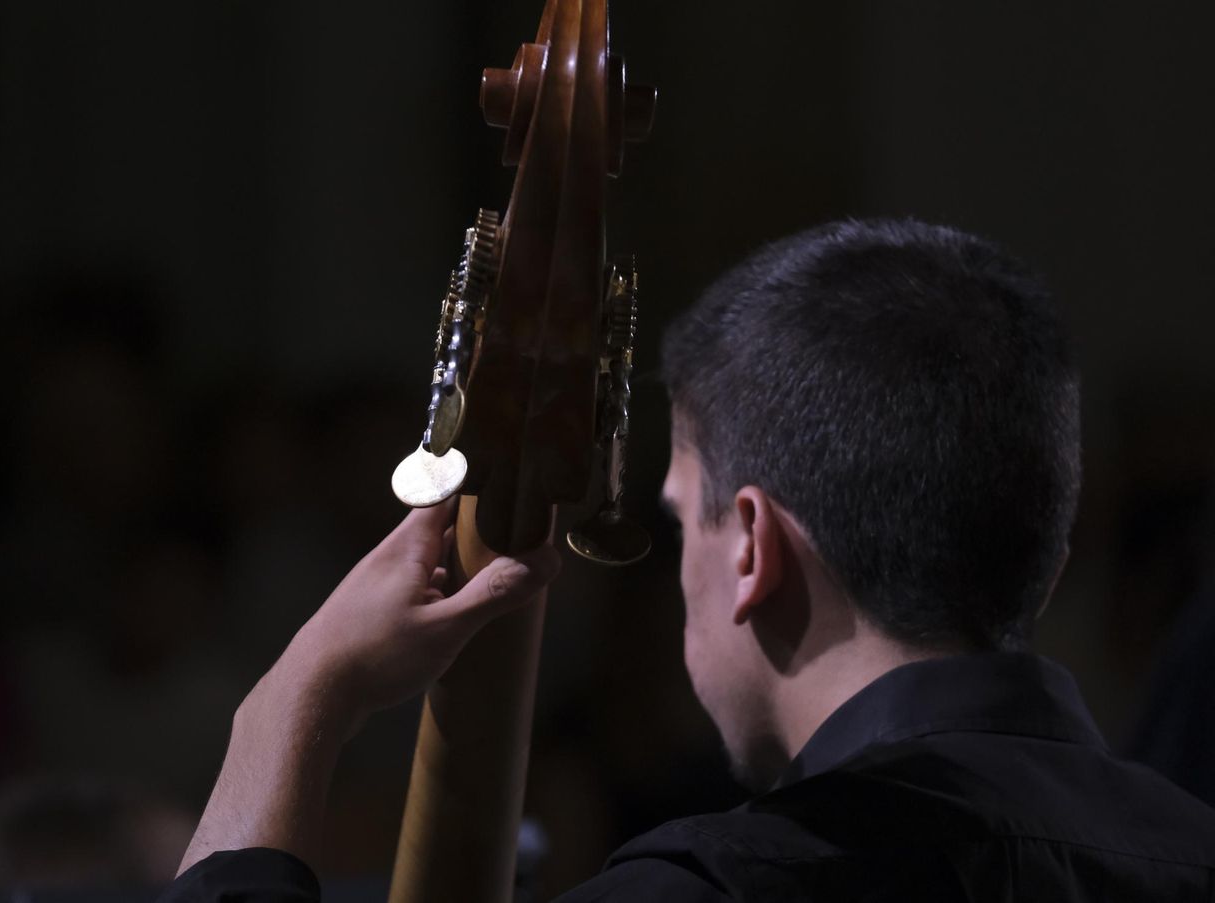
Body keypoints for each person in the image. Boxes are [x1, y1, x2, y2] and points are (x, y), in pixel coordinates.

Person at [159, 219, 1215, 901]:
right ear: (1050, 553)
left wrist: (291, 703)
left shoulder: (715, 892)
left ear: (751, 546)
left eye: (679, 524)